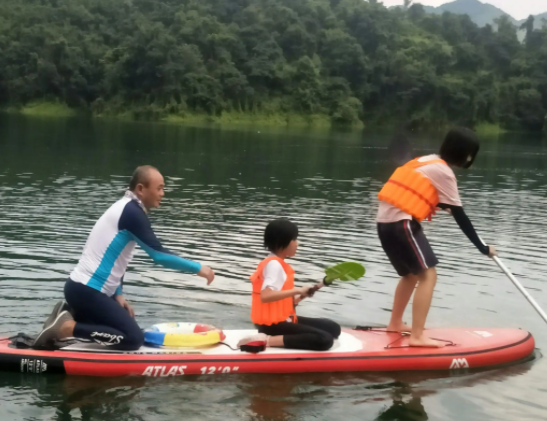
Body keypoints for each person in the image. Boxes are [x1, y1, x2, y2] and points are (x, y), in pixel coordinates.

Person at [34, 165, 215, 350]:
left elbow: (117, 257)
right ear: (141, 189)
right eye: (159, 188)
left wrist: (118, 294)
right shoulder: (132, 213)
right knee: (133, 339)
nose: (163, 193)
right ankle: (67, 328)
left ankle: (72, 315)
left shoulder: (126, 208)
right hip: (87, 290)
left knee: (125, 322)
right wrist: (199, 268)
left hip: (82, 289)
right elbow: (159, 255)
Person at [376, 128, 497, 347]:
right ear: (466, 154)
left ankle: (395, 323)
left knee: (411, 275)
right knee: (428, 276)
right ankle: (417, 336)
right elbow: (461, 217)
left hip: (384, 223)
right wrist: (482, 247)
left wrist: (441, 205)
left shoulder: (425, 160)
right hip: (402, 224)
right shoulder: (445, 172)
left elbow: (417, 190)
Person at [238, 218, 341, 351]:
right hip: (272, 325)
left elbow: (284, 302)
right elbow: (266, 296)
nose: (297, 243)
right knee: (325, 339)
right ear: (283, 241)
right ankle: (266, 340)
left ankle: (271, 337)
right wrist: (298, 290)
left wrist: (301, 296)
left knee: (333, 328)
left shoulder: (274, 262)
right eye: (294, 239)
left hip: (281, 319)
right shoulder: (274, 265)